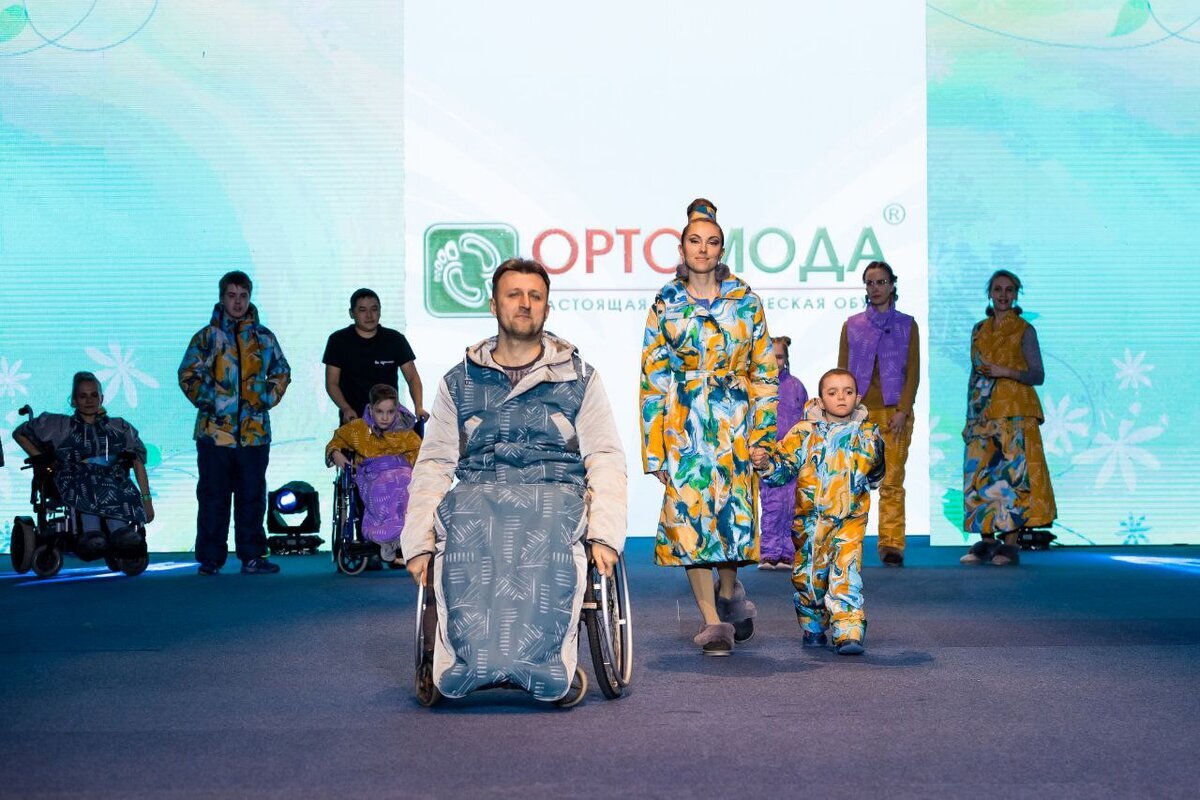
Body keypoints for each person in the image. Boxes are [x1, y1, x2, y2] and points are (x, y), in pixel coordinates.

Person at [401, 258, 626, 702]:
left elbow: (604, 456)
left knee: (547, 518)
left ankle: (544, 665)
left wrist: (605, 535)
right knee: (463, 517)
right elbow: (435, 462)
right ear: (494, 305)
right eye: (514, 295)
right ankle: (467, 665)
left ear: (546, 308)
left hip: (554, 492)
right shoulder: (458, 381)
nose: (525, 304)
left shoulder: (580, 378)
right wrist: (418, 542)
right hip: (478, 492)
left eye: (535, 296)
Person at [640, 198, 778, 656]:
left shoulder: (747, 301)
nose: (703, 249)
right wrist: (655, 451)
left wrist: (763, 437)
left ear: (722, 249)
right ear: (682, 249)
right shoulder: (666, 302)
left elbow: (765, 372)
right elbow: (653, 378)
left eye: (712, 241)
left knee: (732, 519)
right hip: (683, 425)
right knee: (690, 522)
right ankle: (713, 622)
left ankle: (728, 591)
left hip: (736, 423)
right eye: (695, 241)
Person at [750, 369, 884, 655]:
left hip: (850, 520)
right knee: (810, 577)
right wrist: (766, 464)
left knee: (847, 571)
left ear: (858, 397)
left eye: (848, 392)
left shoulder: (868, 433)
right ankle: (813, 624)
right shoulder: (804, 433)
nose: (841, 397)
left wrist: (871, 476)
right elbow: (783, 469)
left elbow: (876, 471)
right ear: (820, 400)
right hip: (811, 522)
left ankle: (848, 631)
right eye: (832, 393)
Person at [178, 270, 291, 576]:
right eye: (232, 296)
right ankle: (210, 558)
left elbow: (281, 371)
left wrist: (264, 397)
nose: (238, 302)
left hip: (254, 434)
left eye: (243, 296)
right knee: (213, 497)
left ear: (250, 298)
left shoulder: (263, 337)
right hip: (215, 434)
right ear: (222, 298)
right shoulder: (207, 337)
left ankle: (252, 556)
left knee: (252, 496)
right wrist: (213, 400)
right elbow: (187, 374)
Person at [961, 269, 1056, 566]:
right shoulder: (979, 329)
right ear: (990, 293)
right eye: (998, 289)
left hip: (1015, 411)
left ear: (1016, 295)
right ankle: (987, 541)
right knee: (980, 475)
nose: (1003, 295)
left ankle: (1010, 544)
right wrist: (970, 418)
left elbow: (1037, 375)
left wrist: (1006, 372)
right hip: (983, 413)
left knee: (1012, 478)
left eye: (1009, 290)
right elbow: (975, 376)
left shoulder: (1024, 330)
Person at [13, 372, 154, 552]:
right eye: (83, 396)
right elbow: (19, 433)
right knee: (88, 483)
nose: (89, 400)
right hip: (74, 477)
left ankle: (120, 531)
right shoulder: (60, 426)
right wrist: (42, 458)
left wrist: (147, 500)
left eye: (94, 395)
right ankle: (91, 531)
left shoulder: (119, 427)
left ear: (101, 398)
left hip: (113, 479)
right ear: (74, 400)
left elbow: (138, 461)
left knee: (114, 483)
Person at [838, 260, 920, 567]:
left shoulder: (907, 324)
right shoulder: (852, 325)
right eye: (870, 283)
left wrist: (903, 409)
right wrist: (842, 413)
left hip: (894, 413)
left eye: (881, 282)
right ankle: (849, 541)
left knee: (892, 481)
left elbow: (913, 372)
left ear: (892, 285)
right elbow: (841, 372)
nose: (875, 288)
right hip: (858, 414)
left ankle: (891, 544)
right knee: (854, 482)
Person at [325, 383, 421, 567]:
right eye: (379, 412)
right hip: (372, 473)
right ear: (370, 409)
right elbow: (335, 442)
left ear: (397, 410)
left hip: (401, 471)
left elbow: (420, 454)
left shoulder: (405, 432)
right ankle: (387, 537)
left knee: (407, 483)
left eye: (390, 412)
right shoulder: (358, 429)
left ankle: (398, 537)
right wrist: (336, 454)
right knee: (383, 486)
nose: (385, 417)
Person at [323, 288, 426, 425]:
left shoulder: (395, 339)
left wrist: (418, 406)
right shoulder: (338, 340)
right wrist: (345, 408)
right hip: (354, 421)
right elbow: (332, 383)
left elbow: (412, 377)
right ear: (351, 313)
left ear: (380, 311)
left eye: (374, 309)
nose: (369, 315)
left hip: (390, 421)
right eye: (362, 310)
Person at [759, 336, 808, 571]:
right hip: (767, 455)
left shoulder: (796, 386)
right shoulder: (758, 386)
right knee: (772, 504)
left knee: (791, 504)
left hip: (792, 454)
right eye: (770, 357)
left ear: (786, 359)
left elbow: (806, 417)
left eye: (778, 357)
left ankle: (788, 553)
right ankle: (769, 552)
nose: (774, 361)